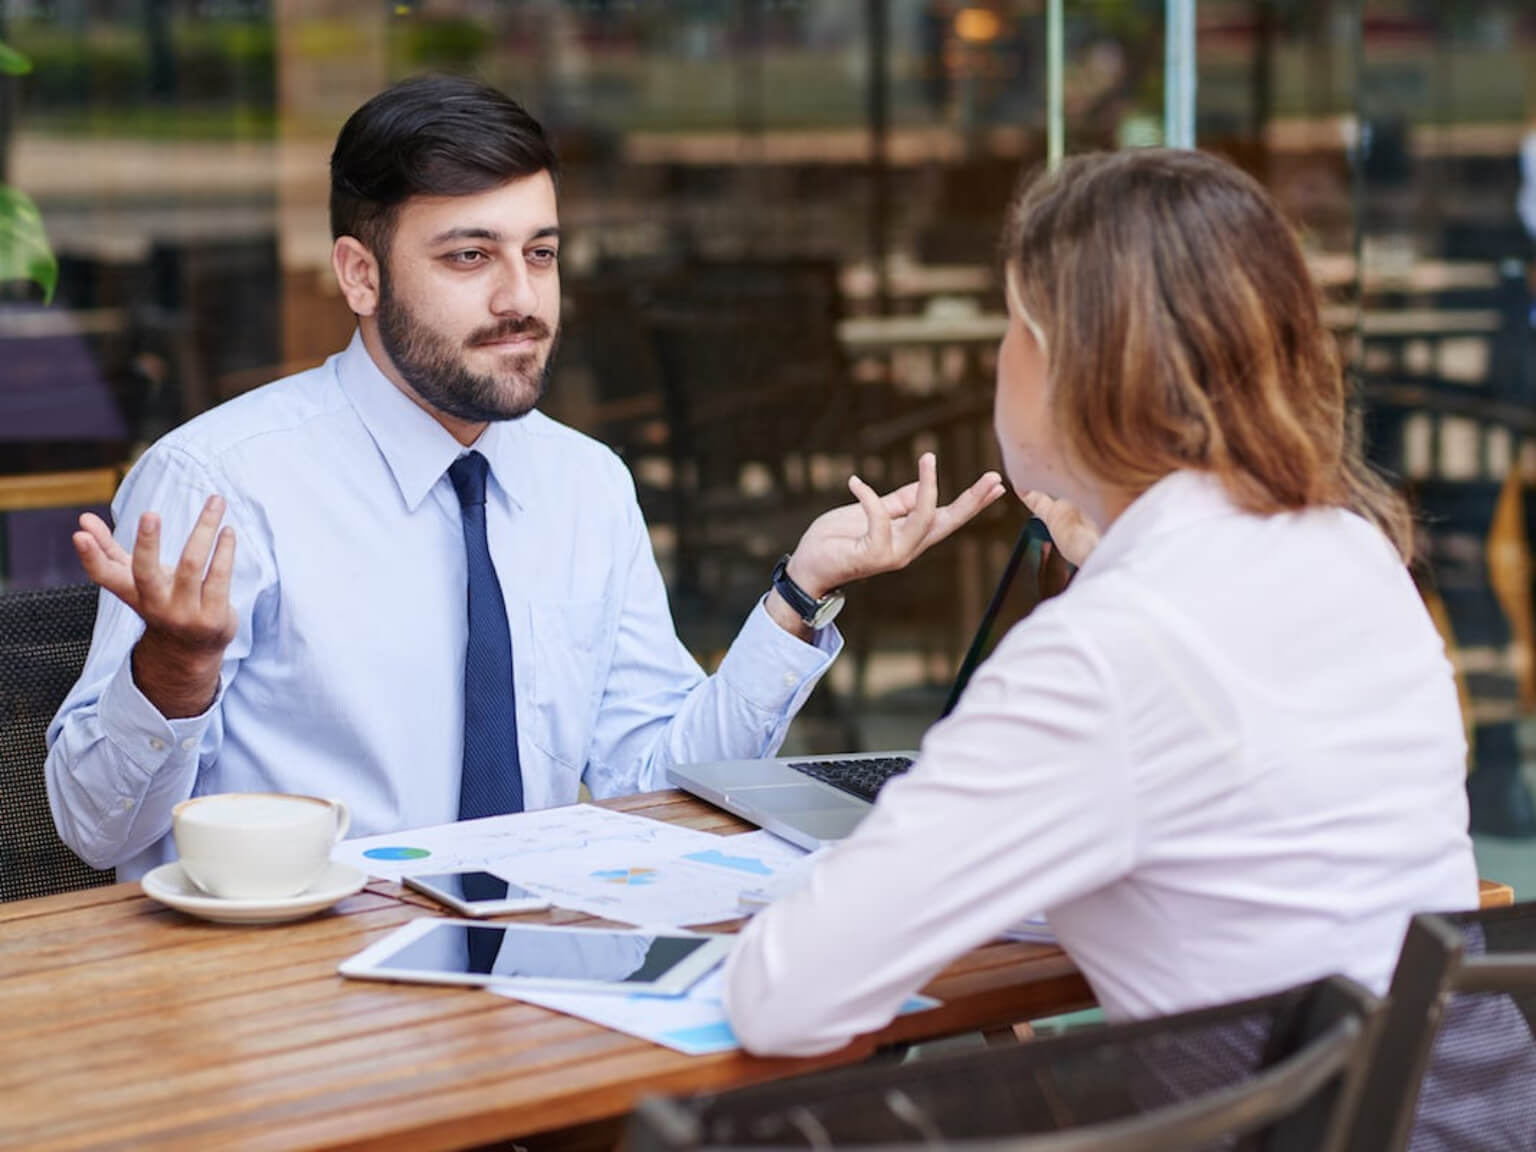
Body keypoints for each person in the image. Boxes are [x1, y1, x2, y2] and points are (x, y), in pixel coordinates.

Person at [45, 74, 1003, 881]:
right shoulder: (218, 485)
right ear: (360, 275)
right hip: (295, 1004)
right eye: (470, 256)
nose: (521, 300)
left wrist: (800, 596)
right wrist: (174, 670)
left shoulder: (584, 483)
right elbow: (98, 833)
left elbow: (655, 780)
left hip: (544, 979)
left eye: (539, 254)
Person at [724, 149, 1482, 1053]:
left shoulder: (1109, 652)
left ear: (1067, 367)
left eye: (1013, 325)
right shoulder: (1351, 553)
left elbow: (782, 998)